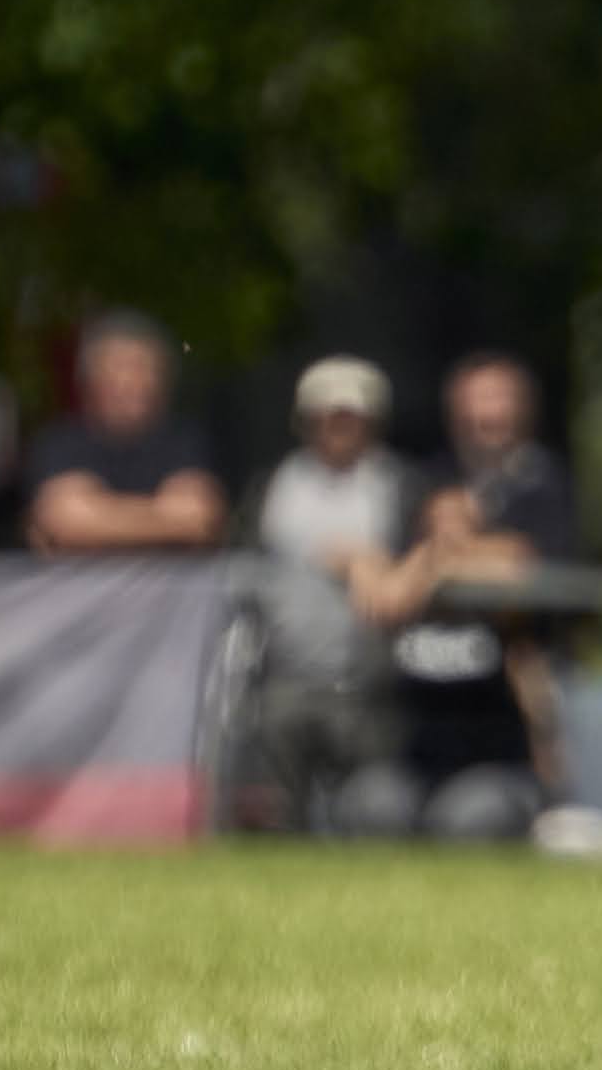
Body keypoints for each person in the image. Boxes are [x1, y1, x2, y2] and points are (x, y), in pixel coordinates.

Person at [338, 355, 581, 843]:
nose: (488, 417)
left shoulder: (546, 483)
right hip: (415, 758)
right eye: (477, 402)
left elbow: (524, 562)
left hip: (499, 754)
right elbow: (373, 571)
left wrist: (432, 562)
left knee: (468, 819)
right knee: (368, 806)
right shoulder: (427, 476)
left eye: (500, 401)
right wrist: (373, 565)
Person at [240, 355, 411, 827]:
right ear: (306, 420)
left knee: (373, 811)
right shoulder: (274, 485)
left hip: (369, 687)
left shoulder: (398, 485)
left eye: (351, 418)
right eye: (328, 417)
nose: (339, 428)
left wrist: (375, 564)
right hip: (284, 683)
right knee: (277, 817)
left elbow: (423, 559)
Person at [22, 312, 225, 554]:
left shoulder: (184, 440)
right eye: (119, 367)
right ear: (90, 379)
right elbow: (63, 521)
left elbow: (199, 519)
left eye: (143, 368)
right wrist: (164, 516)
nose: (131, 381)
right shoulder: (59, 441)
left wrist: (98, 515)